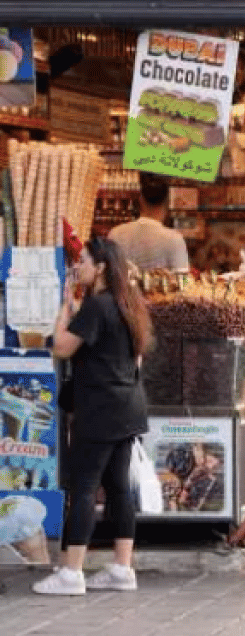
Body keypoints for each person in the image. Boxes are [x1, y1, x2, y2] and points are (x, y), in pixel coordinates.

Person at [35, 238, 153, 596]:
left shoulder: (96, 306)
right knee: (118, 487)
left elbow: (61, 347)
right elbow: (137, 359)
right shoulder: (129, 303)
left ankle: (71, 572)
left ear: (101, 267)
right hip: (128, 406)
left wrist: (63, 314)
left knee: (84, 487)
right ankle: (122, 567)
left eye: (83, 260)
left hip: (99, 409)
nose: (78, 266)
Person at [107, 172, 189, 272]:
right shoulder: (175, 240)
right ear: (167, 202)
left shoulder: (115, 234)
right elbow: (183, 281)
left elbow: (108, 276)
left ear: (140, 200)